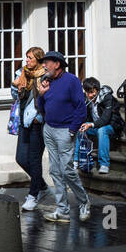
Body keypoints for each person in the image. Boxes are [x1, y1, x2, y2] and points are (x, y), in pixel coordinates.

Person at [35, 50, 91, 224]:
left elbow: (80, 107)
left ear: (57, 64)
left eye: (47, 62)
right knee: (55, 170)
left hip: (65, 130)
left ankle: (84, 202)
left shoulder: (72, 81)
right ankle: (62, 211)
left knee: (66, 170)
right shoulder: (47, 81)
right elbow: (41, 108)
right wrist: (42, 95)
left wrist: (72, 130)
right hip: (49, 129)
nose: (44, 65)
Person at [11, 45, 49, 211]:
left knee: (34, 160)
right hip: (23, 121)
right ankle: (42, 186)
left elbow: (48, 98)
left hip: (38, 122)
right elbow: (14, 96)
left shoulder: (46, 76)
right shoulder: (21, 73)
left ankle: (33, 195)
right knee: (21, 158)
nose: (26, 60)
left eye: (30, 58)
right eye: (26, 57)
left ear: (39, 60)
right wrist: (17, 88)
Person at [79, 77, 124, 174]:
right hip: (96, 126)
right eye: (88, 92)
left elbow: (105, 119)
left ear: (98, 90)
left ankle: (104, 164)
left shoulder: (107, 98)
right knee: (81, 127)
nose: (90, 95)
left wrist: (90, 124)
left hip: (112, 126)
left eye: (92, 92)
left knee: (102, 130)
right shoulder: (86, 99)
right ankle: (77, 160)